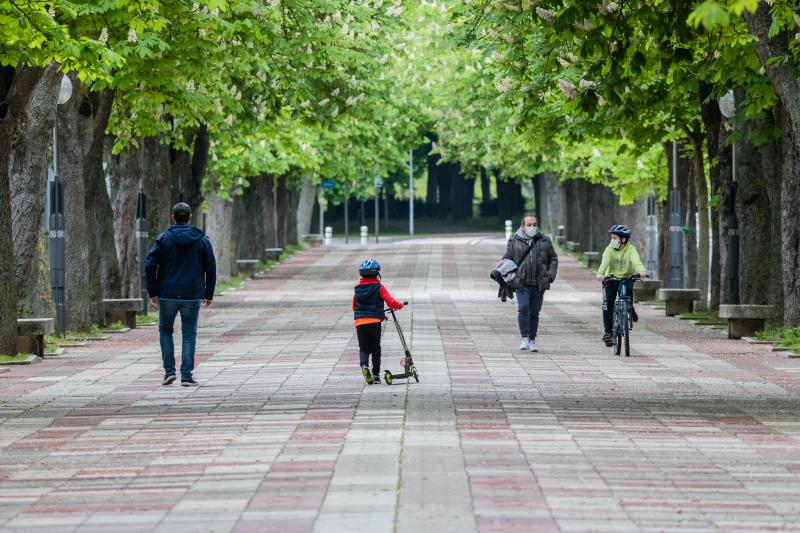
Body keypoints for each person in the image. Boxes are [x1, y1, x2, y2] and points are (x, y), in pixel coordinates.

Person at [145, 203, 216, 386]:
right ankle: (186, 375)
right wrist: (209, 293)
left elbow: (149, 265)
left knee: (165, 331)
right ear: (190, 217)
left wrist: (153, 291)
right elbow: (211, 267)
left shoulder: (163, 239)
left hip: (167, 292)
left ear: (173, 216)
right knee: (189, 333)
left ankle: (169, 371)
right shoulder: (202, 240)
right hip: (192, 293)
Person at [502, 213, 559, 352]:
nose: (532, 227)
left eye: (534, 224)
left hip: (539, 282)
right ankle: (525, 338)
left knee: (534, 312)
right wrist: (511, 278)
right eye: (529, 225)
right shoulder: (514, 240)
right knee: (523, 307)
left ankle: (532, 340)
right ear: (523, 226)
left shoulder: (545, 240)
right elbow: (506, 260)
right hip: (521, 282)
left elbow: (553, 258)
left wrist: (550, 275)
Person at [352, 259, 403, 384]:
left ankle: (364, 366)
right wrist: (400, 305)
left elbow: (354, 306)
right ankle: (375, 375)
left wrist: (379, 315)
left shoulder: (357, 289)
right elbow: (390, 302)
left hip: (360, 322)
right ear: (377, 274)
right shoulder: (379, 287)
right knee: (375, 349)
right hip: (374, 322)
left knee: (363, 349)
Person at [595, 224, 647, 347]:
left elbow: (636, 261)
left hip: (625, 277)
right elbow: (605, 262)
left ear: (623, 240)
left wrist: (641, 271)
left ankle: (630, 308)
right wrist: (600, 273)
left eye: (614, 238)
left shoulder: (631, 249)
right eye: (611, 237)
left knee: (627, 293)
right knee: (607, 303)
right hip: (610, 278)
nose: (612, 240)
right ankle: (608, 333)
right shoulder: (609, 249)